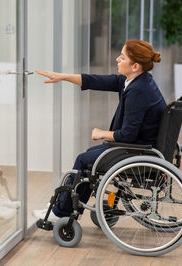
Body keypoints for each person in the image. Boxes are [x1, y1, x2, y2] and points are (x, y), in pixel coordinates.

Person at [33, 39, 167, 222]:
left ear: (135, 66)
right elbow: (95, 80)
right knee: (89, 156)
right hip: (140, 147)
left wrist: (102, 133)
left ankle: (61, 213)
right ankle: (65, 209)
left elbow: (128, 134)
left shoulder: (138, 91)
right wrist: (62, 76)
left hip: (136, 151)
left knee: (84, 160)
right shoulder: (138, 81)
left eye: (122, 57)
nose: (117, 59)